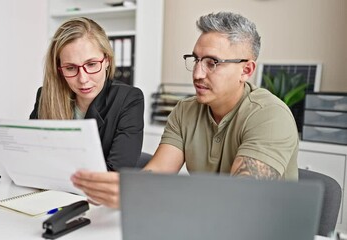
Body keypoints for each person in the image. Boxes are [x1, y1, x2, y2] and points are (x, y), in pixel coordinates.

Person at [71, 12, 300, 209]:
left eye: (212, 63)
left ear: (246, 70)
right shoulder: (185, 110)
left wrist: (144, 194)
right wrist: (123, 189)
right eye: (196, 59)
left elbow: (241, 199)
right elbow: (157, 173)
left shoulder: (270, 115)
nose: (197, 73)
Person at [30, 17, 144, 171]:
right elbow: (31, 158)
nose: (83, 79)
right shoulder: (46, 95)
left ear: (107, 60)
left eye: (91, 64)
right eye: (70, 68)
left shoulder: (128, 99)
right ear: (59, 69)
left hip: (94, 194)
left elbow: (116, 174)